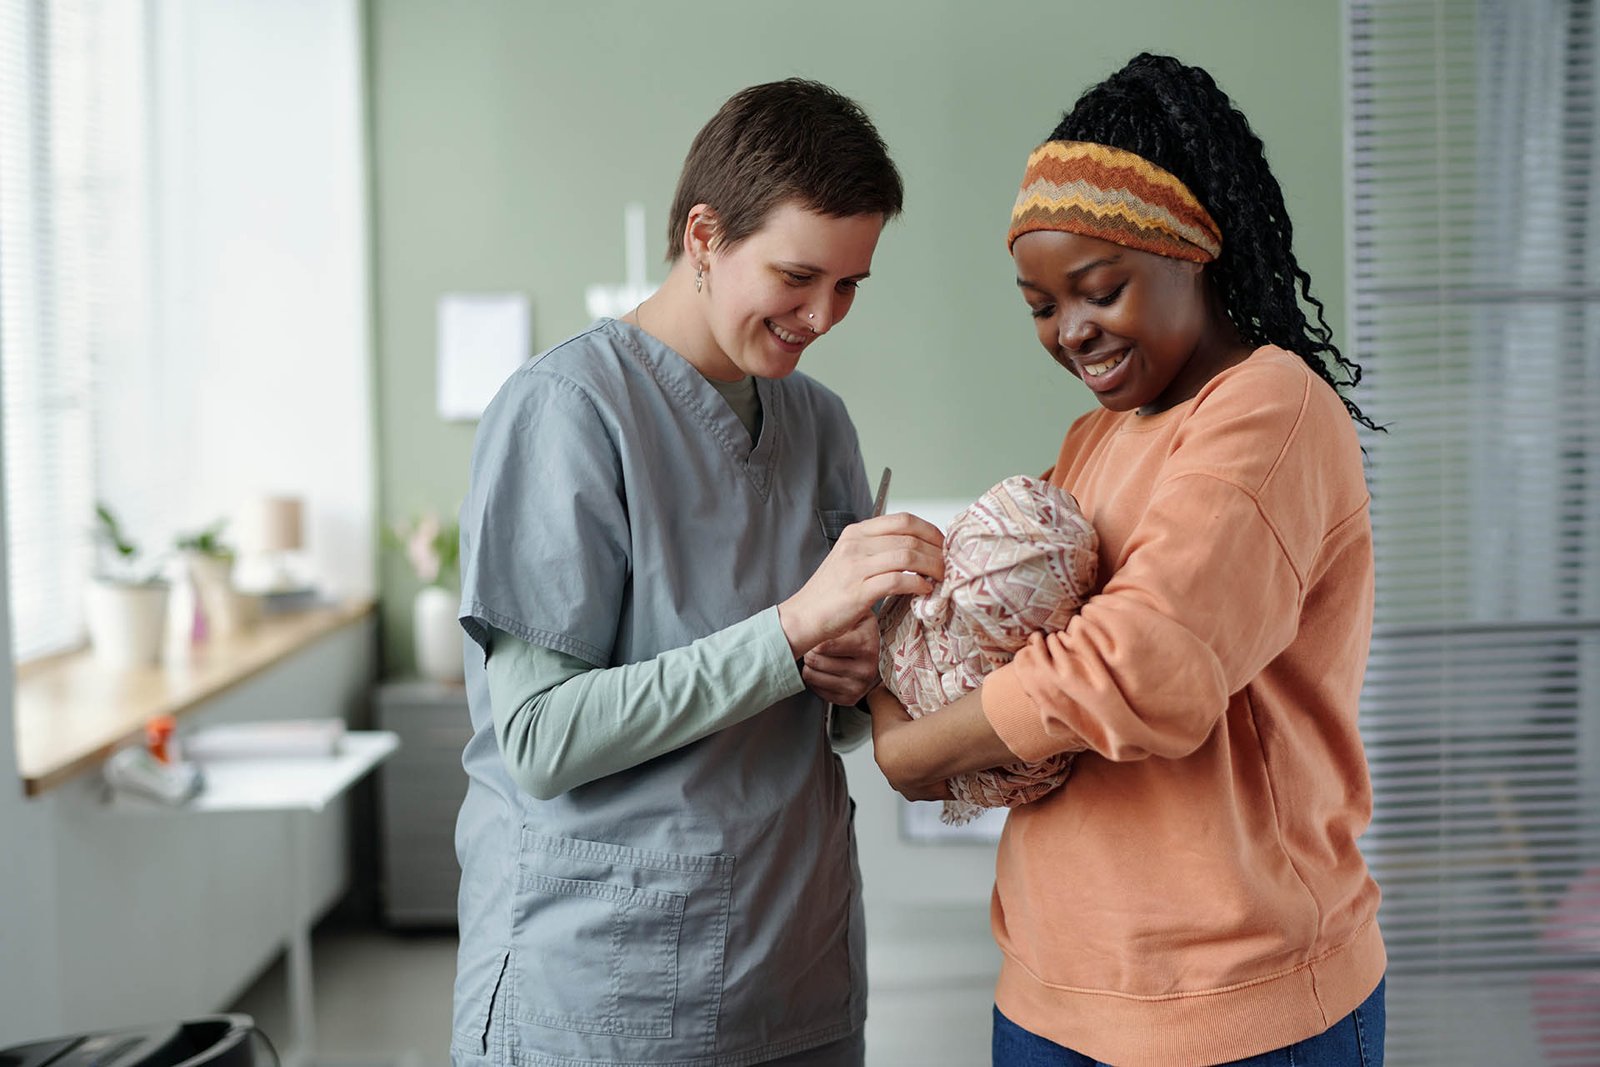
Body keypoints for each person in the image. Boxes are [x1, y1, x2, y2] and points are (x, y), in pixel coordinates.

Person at [868, 54, 1388, 1067]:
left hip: (1236, 1005)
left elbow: (1141, 664)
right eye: (1038, 305)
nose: (1070, 331)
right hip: (1050, 994)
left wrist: (909, 752)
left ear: (1191, 251)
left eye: (1097, 290)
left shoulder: (1269, 409)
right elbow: (1013, 666)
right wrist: (891, 648)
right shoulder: (1094, 440)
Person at [450, 78, 945, 1067]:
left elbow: (826, 707)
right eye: (798, 276)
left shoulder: (818, 423)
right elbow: (542, 737)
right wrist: (794, 629)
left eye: (848, 284)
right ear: (705, 236)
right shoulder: (568, 412)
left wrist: (854, 677)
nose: (822, 314)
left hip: (798, 976)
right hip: (604, 994)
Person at [876, 473, 1097, 826]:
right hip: (1034, 857)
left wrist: (899, 747)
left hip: (1128, 853)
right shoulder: (1083, 445)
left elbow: (1110, 675)